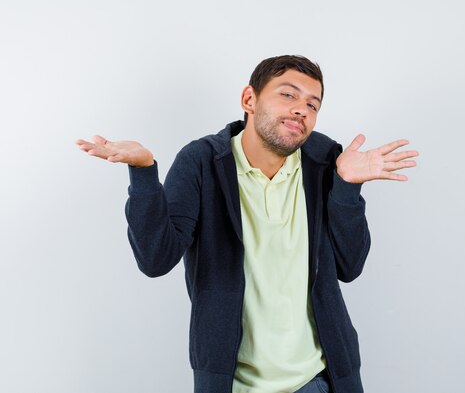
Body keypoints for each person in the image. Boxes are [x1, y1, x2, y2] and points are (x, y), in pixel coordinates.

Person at [76, 55, 418, 393]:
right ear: (249, 99)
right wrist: (144, 173)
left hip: (319, 380)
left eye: (313, 104)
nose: (302, 109)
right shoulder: (201, 161)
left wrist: (347, 187)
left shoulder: (326, 160)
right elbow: (155, 259)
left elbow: (349, 265)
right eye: (288, 94)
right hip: (232, 384)